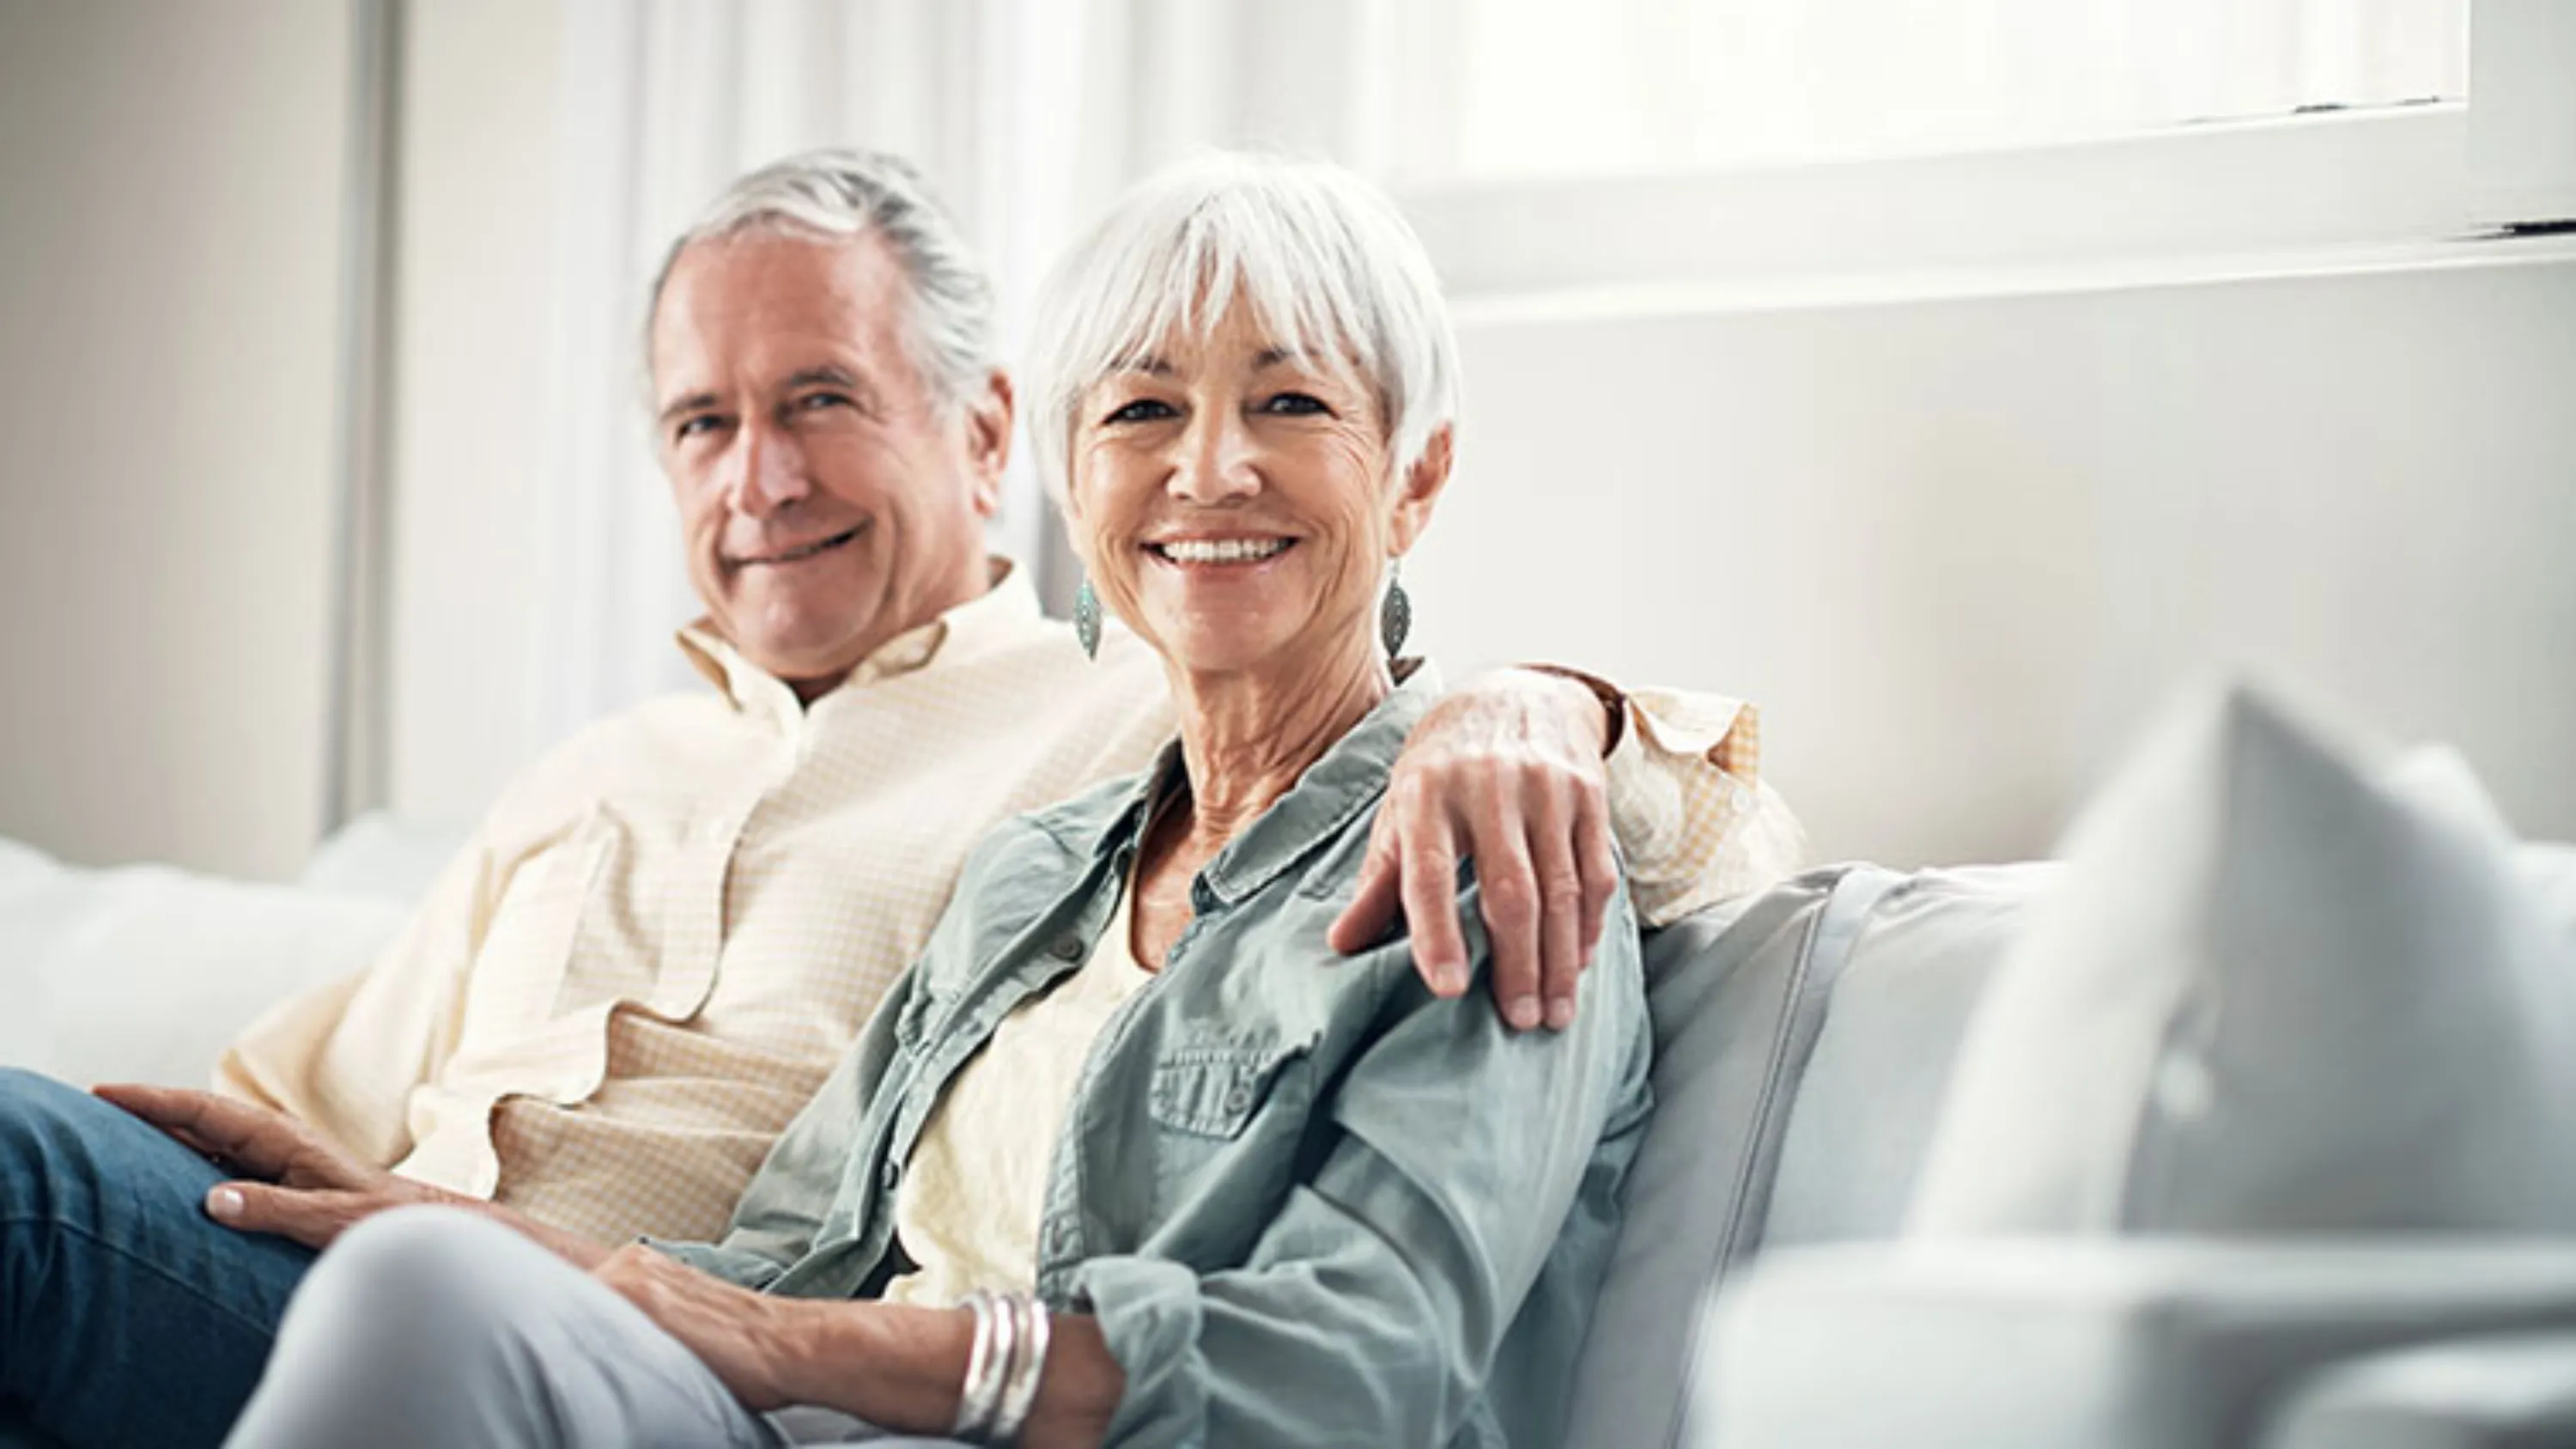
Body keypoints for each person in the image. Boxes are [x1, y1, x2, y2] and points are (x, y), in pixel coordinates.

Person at [0, 150, 1798, 1449]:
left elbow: (1346, 1368)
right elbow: (778, 1254)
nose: (1209, 467)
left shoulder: (1442, 831)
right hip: (696, 1381)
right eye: (1148, 410)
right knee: (373, 1267)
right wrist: (457, 1232)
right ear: (1082, 479)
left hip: (823, 1401)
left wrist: (1539, 704)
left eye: (1292, 400)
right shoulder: (1042, 866)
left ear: (1417, 476)